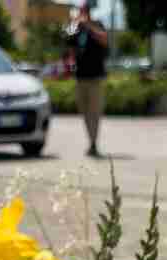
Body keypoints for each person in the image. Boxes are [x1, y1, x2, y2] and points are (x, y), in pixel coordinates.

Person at [68, 3, 108, 158]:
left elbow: (104, 39)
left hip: (95, 78)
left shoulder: (97, 25)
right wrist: (74, 24)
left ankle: (93, 143)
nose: (82, 14)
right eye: (80, 11)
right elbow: (69, 43)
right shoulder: (76, 28)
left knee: (94, 112)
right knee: (84, 112)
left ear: (90, 13)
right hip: (80, 77)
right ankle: (91, 141)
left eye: (84, 11)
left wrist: (88, 26)